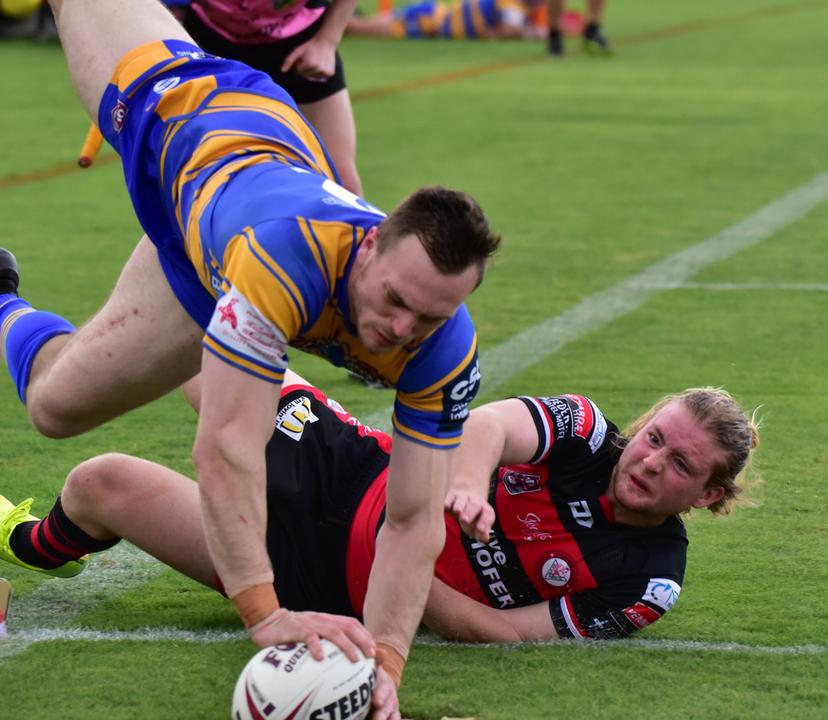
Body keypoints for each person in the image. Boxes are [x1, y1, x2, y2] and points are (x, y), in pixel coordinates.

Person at [0, 0, 500, 715]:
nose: (400, 328)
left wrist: (384, 664)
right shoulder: (283, 261)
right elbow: (227, 449)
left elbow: (413, 517)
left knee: (53, 407)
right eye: (394, 300)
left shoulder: (444, 352)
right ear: (367, 247)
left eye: (429, 316)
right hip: (175, 106)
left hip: (205, 245)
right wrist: (267, 617)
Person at [0, 370, 761, 641]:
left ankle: (25, 539)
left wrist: (409, 555)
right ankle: (16, 318)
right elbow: (491, 425)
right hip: (349, 465)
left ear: (711, 494)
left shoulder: (649, 580)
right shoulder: (589, 433)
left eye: (679, 464)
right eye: (656, 436)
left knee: (102, 483)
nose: (649, 460)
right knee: (190, 347)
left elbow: (500, 632)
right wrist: (460, 488)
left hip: (317, 584)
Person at [162, 0, 366, 195]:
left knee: (343, 187)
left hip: (298, 41)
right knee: (188, 188)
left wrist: (327, 41)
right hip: (210, 39)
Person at [346, 0, 539, 41]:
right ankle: (326, 17)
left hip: (432, 14)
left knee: (362, 26)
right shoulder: (512, 6)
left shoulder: (513, 6)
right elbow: (510, 29)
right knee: (359, 29)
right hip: (429, 22)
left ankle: (339, 16)